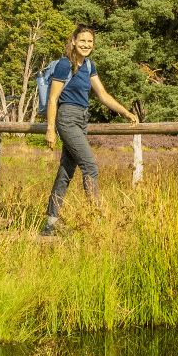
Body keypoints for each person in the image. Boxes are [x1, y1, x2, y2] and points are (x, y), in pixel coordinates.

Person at [37, 26, 132, 237]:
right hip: (67, 119)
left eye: (90, 41)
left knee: (66, 171)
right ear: (73, 41)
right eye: (82, 40)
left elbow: (103, 95)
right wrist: (50, 129)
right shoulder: (65, 64)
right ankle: (97, 218)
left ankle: (51, 224)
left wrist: (125, 112)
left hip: (82, 119)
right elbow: (53, 98)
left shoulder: (89, 65)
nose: (86, 44)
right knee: (90, 167)